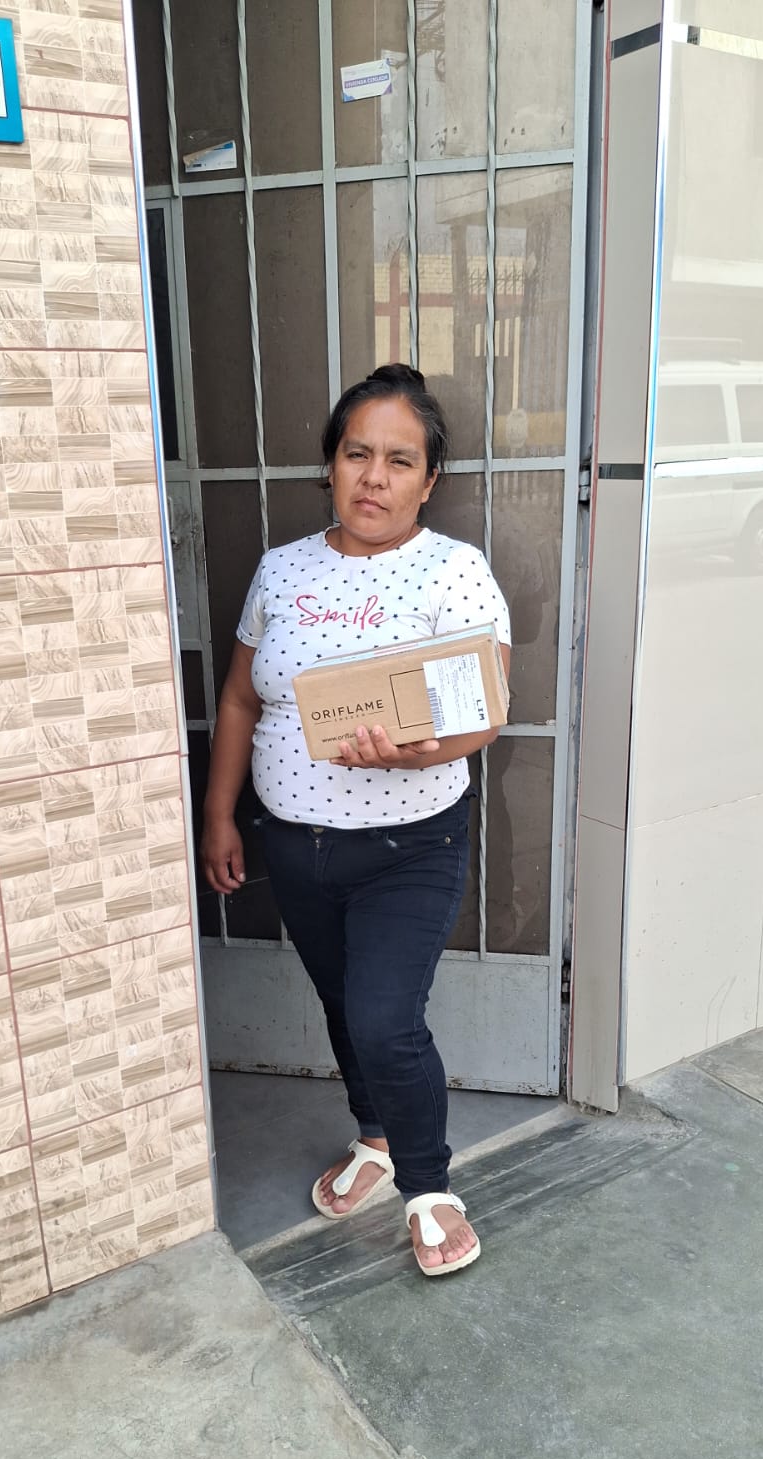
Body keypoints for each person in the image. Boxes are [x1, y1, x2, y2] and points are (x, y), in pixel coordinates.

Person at [201, 364, 511, 1278]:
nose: (374, 477)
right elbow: (240, 700)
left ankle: (427, 1185)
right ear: (331, 465)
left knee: (383, 1018)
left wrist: (417, 753)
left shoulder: (453, 572)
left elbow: (483, 713)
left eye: (399, 460)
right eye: (356, 454)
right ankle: (374, 1135)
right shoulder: (281, 570)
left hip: (409, 845)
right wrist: (220, 815)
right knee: (344, 1005)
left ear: (428, 479)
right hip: (296, 844)